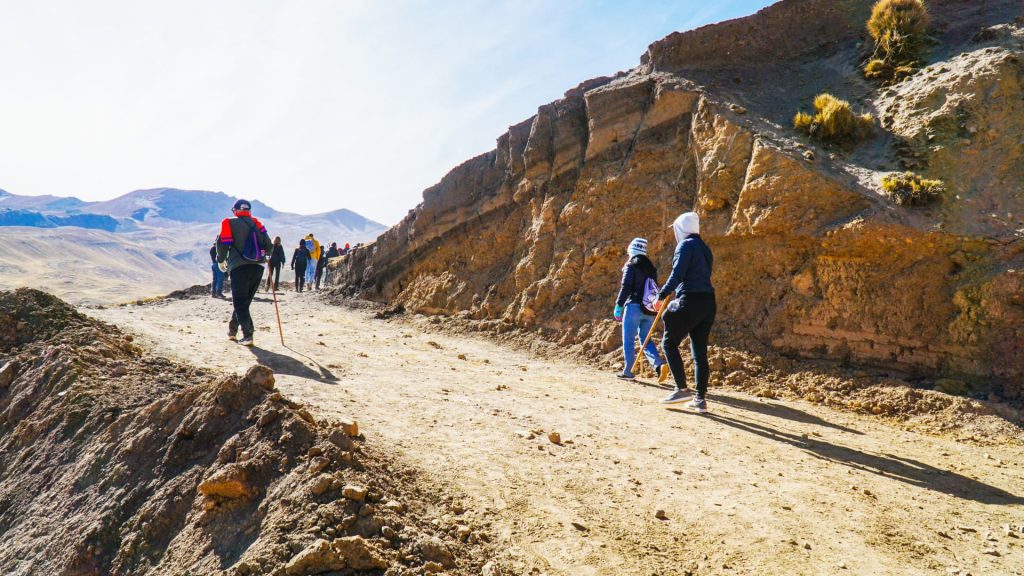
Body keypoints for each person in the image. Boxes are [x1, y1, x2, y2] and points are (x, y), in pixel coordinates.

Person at [655, 212, 716, 413]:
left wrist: (662, 295)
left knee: (669, 343)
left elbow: (678, 274)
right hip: (708, 302)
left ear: (681, 228)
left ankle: (681, 389)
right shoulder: (705, 249)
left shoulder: (685, 245)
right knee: (699, 352)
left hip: (690, 299)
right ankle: (700, 399)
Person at [215, 199, 273, 347]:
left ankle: (248, 335)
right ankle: (232, 331)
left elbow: (222, 244)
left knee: (239, 302)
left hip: (238, 267)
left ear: (235, 210)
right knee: (244, 302)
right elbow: (269, 247)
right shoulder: (258, 223)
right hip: (258, 267)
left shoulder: (229, 222)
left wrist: (221, 261)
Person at [614, 237, 668, 382]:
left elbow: (625, 287)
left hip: (633, 307)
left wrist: (619, 305)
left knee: (629, 339)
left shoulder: (631, 265)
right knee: (646, 339)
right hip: (649, 310)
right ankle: (659, 365)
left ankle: (628, 372)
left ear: (631, 250)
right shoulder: (651, 267)